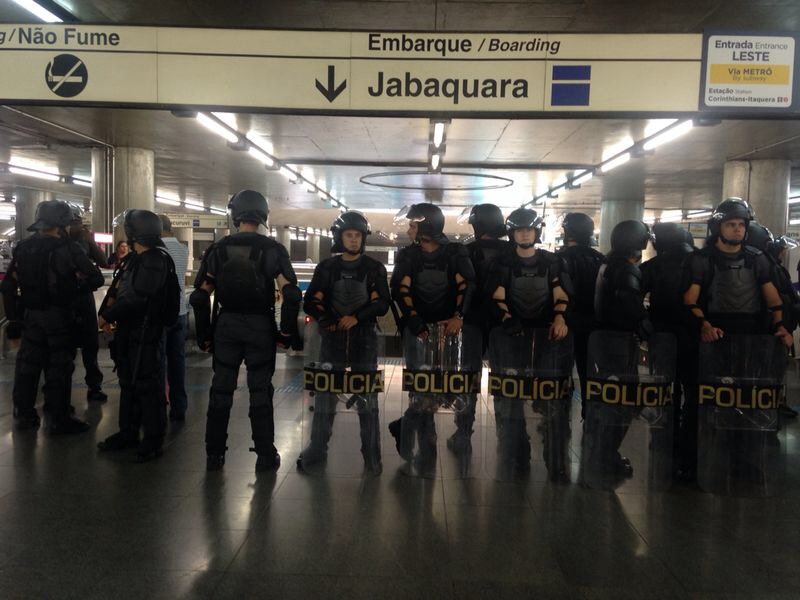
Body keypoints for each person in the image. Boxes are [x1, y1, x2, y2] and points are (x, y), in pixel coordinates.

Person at [681, 199, 793, 479]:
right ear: (718, 227)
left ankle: (744, 462)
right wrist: (704, 325)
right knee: (701, 401)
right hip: (713, 341)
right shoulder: (701, 260)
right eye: (731, 224)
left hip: (751, 341)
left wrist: (781, 327)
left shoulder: (758, 259)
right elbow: (689, 300)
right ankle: (691, 462)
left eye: (741, 225)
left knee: (746, 404)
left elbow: (774, 300)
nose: (737, 230)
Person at [190, 190, 300, 472]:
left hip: (226, 326)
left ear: (234, 214)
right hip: (260, 327)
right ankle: (265, 454)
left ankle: (214, 454)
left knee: (221, 389)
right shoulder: (273, 250)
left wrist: (204, 335)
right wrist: (286, 333)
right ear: (263, 215)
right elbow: (291, 295)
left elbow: (200, 297)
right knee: (260, 390)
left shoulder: (218, 249)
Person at [0, 199, 104, 433]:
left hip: (30, 317)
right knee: (59, 365)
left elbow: (7, 287)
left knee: (27, 365)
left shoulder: (24, 248)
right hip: (59, 316)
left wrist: (15, 320)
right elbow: (95, 278)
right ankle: (58, 417)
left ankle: (23, 412)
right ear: (62, 224)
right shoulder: (67, 249)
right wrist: (72, 290)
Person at [299, 211, 390, 473]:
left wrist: (357, 318)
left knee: (367, 400)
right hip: (331, 339)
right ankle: (317, 449)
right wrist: (327, 319)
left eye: (357, 235)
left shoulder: (374, 268)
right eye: (348, 235)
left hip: (365, 340)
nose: (353, 240)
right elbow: (311, 301)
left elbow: (382, 303)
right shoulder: (327, 268)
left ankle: (371, 455)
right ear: (340, 237)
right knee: (326, 399)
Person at [388, 202, 476, 469]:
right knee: (421, 388)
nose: (409, 228)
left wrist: (459, 316)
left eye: (413, 224)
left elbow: (467, 285)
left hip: (448, 331)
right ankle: (426, 449)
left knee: (438, 390)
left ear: (427, 227)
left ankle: (404, 426)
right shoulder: (408, 256)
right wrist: (413, 319)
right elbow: (400, 290)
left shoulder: (455, 253)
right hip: (419, 331)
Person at [486, 207, 570, 477]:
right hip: (513, 336)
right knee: (512, 395)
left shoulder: (550, 261)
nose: (525, 233)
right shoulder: (504, 262)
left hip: (546, 337)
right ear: (512, 233)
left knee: (548, 398)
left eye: (529, 229)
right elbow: (497, 294)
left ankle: (553, 452)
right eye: (520, 229)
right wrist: (507, 317)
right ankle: (516, 451)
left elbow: (560, 294)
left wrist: (560, 319)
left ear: (537, 232)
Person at [97, 210, 181, 462]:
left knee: (147, 385)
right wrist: (106, 313)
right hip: (128, 331)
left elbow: (137, 299)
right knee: (128, 382)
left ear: (135, 232)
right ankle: (128, 432)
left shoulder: (155, 260)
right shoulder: (134, 259)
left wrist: (108, 315)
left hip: (146, 331)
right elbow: (117, 287)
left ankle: (153, 439)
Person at [590, 219, 654, 480]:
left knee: (612, 397)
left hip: (605, 339)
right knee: (623, 400)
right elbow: (629, 300)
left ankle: (602, 452)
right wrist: (645, 326)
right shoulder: (626, 269)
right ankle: (607, 454)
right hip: (620, 341)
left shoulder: (607, 263)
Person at [453, 203, 510, 454]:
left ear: (477, 224)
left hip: (472, 321)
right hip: (504, 323)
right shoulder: (513, 251)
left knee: (468, 377)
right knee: (504, 378)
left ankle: (463, 433)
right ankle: (507, 435)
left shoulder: (466, 251)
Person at [556, 212, 604, 417]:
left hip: (564, 323)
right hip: (593, 325)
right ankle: (589, 413)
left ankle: (558, 414)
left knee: (560, 372)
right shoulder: (600, 259)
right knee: (589, 373)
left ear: (567, 232)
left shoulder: (558, 259)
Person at [67, 202, 109, 404]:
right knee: (65, 350)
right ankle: (59, 394)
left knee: (89, 345)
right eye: (75, 221)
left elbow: (103, 261)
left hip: (80, 298)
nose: (76, 225)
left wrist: (90, 240)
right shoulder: (63, 244)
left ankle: (94, 386)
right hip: (69, 300)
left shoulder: (82, 240)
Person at [158, 214, 190, 421]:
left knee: (159, 361)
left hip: (162, 314)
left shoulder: (157, 250)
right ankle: (179, 407)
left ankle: (160, 402)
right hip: (181, 311)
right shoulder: (183, 248)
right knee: (177, 361)